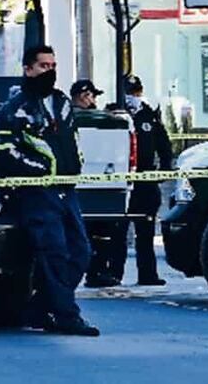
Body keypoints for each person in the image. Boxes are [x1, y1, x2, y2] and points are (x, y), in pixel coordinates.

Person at [0, 46, 98, 337]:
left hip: (66, 188)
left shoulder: (62, 102)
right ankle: (66, 315)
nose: (49, 71)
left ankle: (38, 310)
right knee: (54, 253)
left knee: (81, 252)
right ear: (28, 69)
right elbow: (3, 152)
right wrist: (40, 170)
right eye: (42, 66)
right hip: (37, 192)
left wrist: (74, 166)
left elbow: (71, 139)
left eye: (53, 65)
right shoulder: (13, 110)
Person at [70, 80, 124, 289]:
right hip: (93, 183)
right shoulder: (80, 118)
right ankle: (95, 271)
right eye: (92, 96)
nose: (94, 101)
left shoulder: (67, 116)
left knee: (96, 233)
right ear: (84, 96)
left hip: (84, 182)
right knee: (96, 233)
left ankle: (95, 271)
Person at [118, 75, 170, 286]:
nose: (134, 96)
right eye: (130, 93)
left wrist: (165, 169)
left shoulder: (149, 114)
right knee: (118, 231)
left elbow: (163, 143)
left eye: (137, 92)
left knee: (146, 230)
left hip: (145, 180)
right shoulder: (116, 113)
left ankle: (147, 274)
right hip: (121, 179)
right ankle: (113, 274)